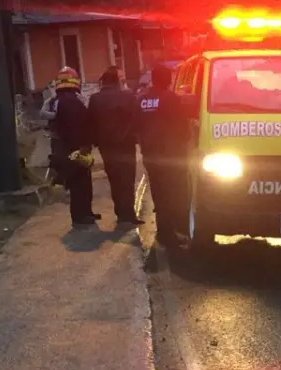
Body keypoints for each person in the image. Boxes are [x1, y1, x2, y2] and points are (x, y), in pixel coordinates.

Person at [136, 63, 189, 246]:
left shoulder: (142, 98)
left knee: (158, 193)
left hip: (150, 154)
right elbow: (181, 125)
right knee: (171, 194)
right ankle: (169, 234)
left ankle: (163, 231)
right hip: (169, 154)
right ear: (167, 79)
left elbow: (138, 124)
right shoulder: (170, 97)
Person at [89, 66, 143, 226]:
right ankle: (129, 214)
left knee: (114, 179)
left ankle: (120, 212)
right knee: (127, 179)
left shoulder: (95, 99)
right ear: (117, 81)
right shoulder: (128, 97)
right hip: (126, 144)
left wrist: (94, 142)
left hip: (106, 146)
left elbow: (91, 122)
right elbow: (136, 119)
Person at [50, 69, 97, 226]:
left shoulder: (58, 101)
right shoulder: (71, 101)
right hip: (75, 149)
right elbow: (78, 126)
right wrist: (83, 145)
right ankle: (81, 216)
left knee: (79, 183)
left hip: (66, 148)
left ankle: (85, 213)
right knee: (80, 184)